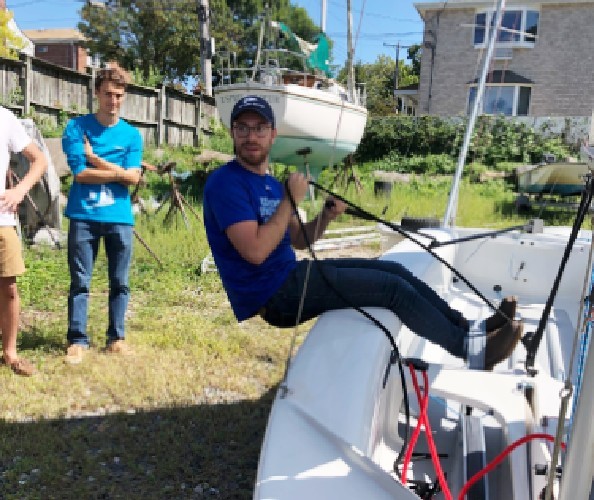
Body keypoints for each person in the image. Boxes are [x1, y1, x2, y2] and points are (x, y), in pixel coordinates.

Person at [203, 95, 523, 370]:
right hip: (274, 297)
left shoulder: (270, 184)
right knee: (390, 289)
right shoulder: (225, 183)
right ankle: (471, 351)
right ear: (232, 133)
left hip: (290, 276)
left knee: (394, 270)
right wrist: (290, 199)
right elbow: (256, 252)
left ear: (272, 135)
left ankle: (472, 329)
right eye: (242, 128)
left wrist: (326, 216)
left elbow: (300, 240)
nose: (250, 136)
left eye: (259, 128)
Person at [61, 64, 142, 365]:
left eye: (119, 95)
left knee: (120, 281)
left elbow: (134, 179)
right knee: (80, 280)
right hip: (83, 215)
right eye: (108, 94)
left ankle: (116, 338)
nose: (113, 101)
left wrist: (95, 158)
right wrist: (120, 172)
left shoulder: (132, 135)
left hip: (119, 218)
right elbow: (80, 174)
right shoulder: (76, 128)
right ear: (97, 93)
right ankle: (77, 339)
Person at [0, 106, 48, 376]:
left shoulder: (4, 118)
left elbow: (39, 160)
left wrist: (19, 190)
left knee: (8, 288)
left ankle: (10, 353)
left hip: (1, 220)